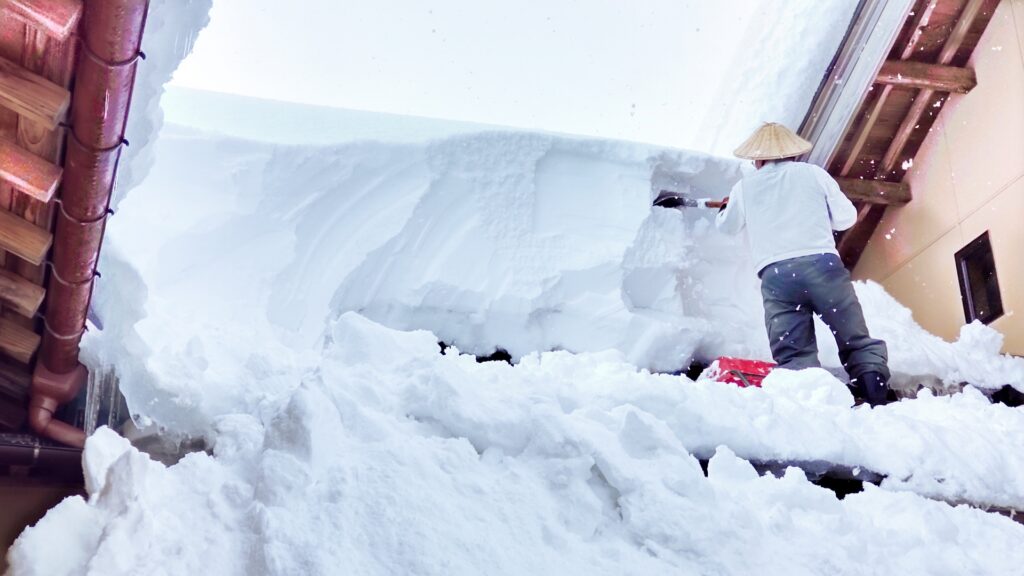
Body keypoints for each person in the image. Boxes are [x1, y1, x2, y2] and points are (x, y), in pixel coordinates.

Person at [701, 122, 891, 406]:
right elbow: (846, 219)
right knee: (853, 336)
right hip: (822, 267)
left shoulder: (744, 187)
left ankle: (811, 405)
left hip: (777, 277)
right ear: (792, 153)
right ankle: (874, 390)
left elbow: (727, 227)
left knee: (793, 351)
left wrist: (730, 207)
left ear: (758, 158)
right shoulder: (813, 174)